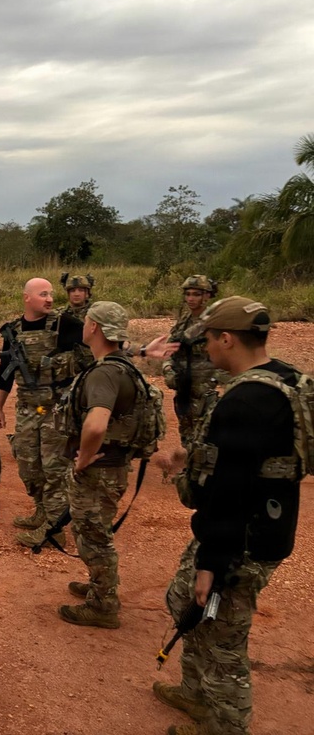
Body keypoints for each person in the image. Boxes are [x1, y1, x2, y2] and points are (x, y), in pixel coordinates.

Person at [154, 297, 301, 735]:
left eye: (208, 341)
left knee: (222, 633)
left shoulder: (246, 401)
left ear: (226, 339)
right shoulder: (285, 379)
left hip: (241, 539)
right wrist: (188, 457)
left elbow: (230, 492)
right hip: (265, 524)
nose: (205, 349)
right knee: (184, 600)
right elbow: (248, 459)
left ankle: (224, 724)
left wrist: (211, 565)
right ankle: (195, 692)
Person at [56, 301, 146, 629]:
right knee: (96, 530)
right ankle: (99, 585)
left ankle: (103, 604)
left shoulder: (105, 372)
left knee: (93, 536)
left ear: (94, 327)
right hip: (113, 466)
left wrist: (82, 457)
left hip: (99, 470)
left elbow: (96, 425)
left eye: (87, 321)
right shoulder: (121, 364)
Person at [0, 277, 87, 548]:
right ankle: (42, 511)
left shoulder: (66, 324)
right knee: (28, 466)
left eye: (51, 294)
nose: (50, 299)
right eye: (43, 294)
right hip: (27, 408)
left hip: (57, 409)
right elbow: (4, 372)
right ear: (27, 298)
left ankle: (54, 530)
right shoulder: (13, 331)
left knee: (54, 469)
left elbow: (98, 349)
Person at [162, 275, 221, 445]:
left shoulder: (214, 322)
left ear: (207, 295)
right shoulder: (184, 321)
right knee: (186, 434)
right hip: (183, 387)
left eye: (196, 294)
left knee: (205, 437)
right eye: (188, 294)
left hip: (204, 390)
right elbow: (170, 349)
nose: (191, 298)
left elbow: (226, 355)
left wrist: (212, 379)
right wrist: (168, 369)